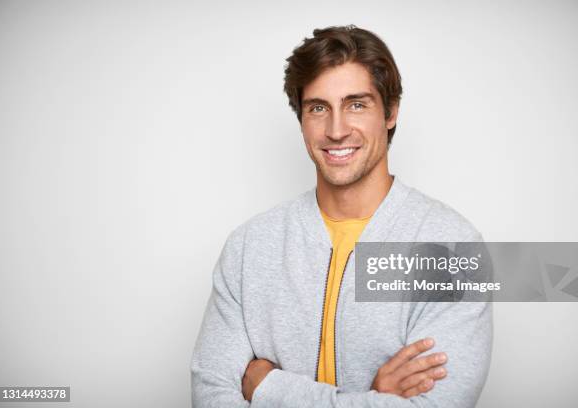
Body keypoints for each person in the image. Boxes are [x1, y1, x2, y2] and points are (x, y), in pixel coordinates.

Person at [191, 25, 492, 407]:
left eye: (357, 104)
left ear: (391, 112)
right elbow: (210, 395)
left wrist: (268, 388)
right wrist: (373, 399)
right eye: (318, 107)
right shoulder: (249, 247)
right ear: (300, 117)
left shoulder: (452, 246)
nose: (336, 130)